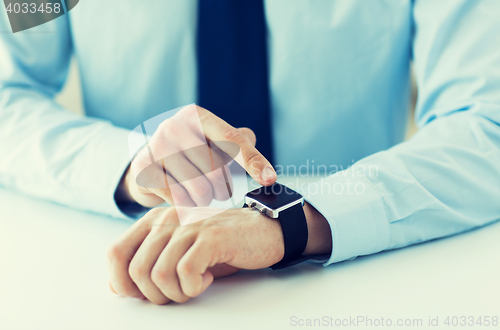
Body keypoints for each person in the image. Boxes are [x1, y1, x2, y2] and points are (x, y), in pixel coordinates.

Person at [1, 0, 499, 305]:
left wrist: (297, 220)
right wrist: (129, 163)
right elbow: (8, 92)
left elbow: (487, 120)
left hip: (369, 279)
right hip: (130, 281)